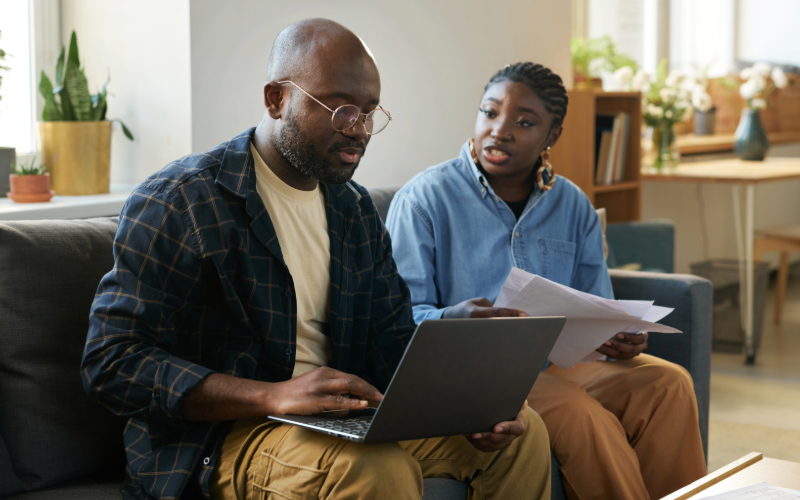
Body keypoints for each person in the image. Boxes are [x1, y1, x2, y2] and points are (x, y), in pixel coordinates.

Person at [81, 20, 551, 500]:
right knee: (375, 467)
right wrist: (272, 394)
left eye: (370, 111)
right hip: (225, 435)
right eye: (341, 108)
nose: (360, 129)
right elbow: (111, 362)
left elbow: (391, 340)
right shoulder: (182, 201)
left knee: (521, 434)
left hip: (342, 421)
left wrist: (465, 404)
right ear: (276, 99)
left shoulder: (354, 210)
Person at [385, 62, 707, 500]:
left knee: (669, 383)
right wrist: (453, 317)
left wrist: (618, 335)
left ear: (552, 135)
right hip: (480, 373)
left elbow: (598, 306)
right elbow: (399, 319)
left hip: (560, 365)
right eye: (490, 112)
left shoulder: (572, 205)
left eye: (524, 122)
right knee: (578, 413)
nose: (499, 130)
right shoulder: (424, 199)